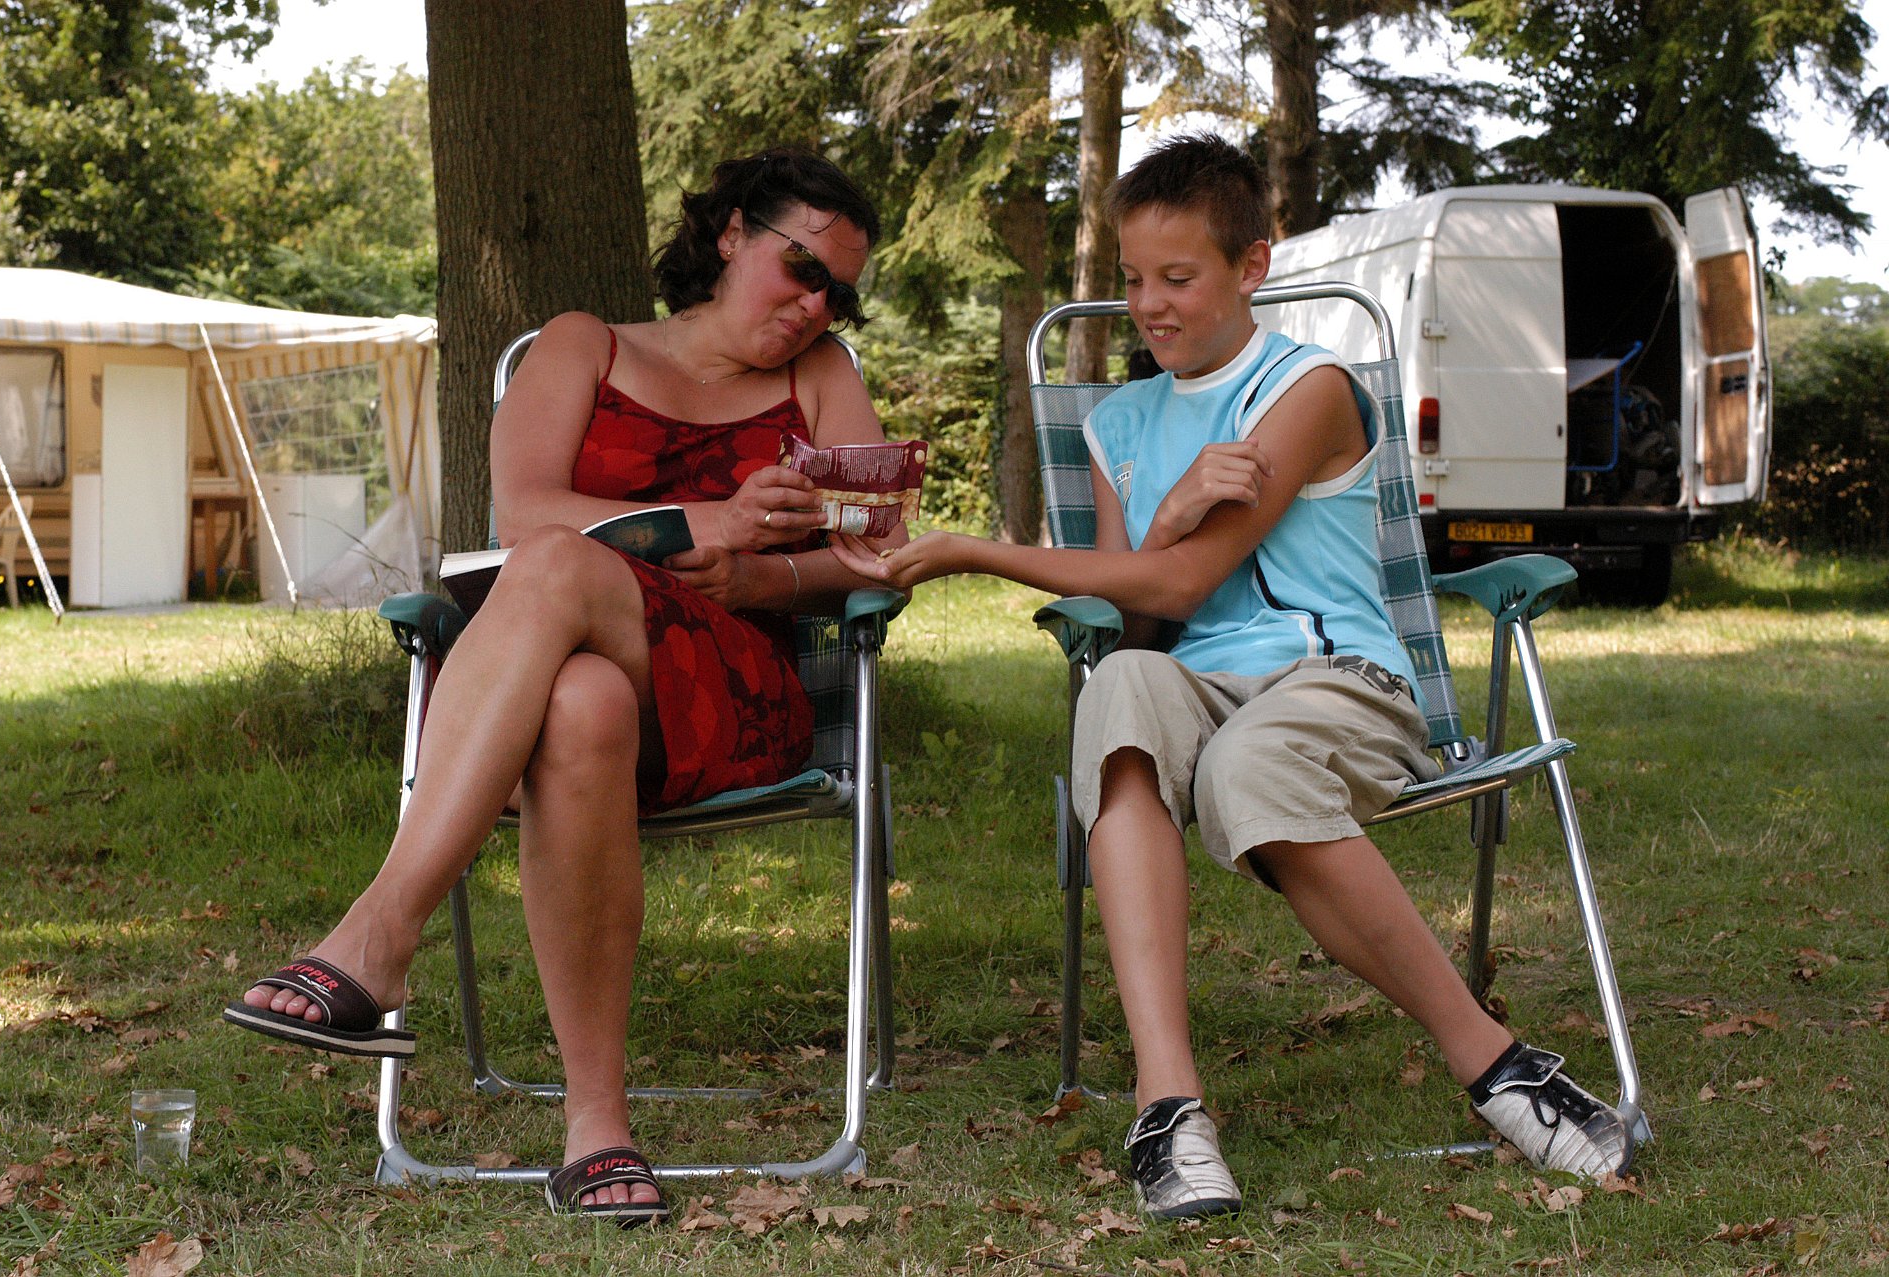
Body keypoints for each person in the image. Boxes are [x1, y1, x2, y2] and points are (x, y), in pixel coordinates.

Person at [834, 134, 1634, 1221]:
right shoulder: (1118, 424)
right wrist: (1165, 512)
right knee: (1118, 686)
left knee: (1244, 766)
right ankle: (1169, 1104)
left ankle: (1495, 1062)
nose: (1148, 306)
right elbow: (1144, 611)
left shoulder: (1307, 389)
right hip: (1197, 685)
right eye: (1132, 278)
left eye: (1178, 277)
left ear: (1251, 265)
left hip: (1335, 677)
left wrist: (978, 551)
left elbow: (1192, 573)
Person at [223, 147, 901, 1225]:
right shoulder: (584, 344)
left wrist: (760, 572)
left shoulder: (821, 379)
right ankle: (597, 1126)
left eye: (839, 294)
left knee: (551, 567)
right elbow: (523, 506)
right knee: (580, 696)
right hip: (582, 690)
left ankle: (380, 933)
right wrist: (714, 519)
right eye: (803, 268)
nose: (817, 306)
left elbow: (876, 550)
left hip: (737, 691)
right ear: (732, 232)